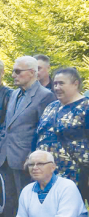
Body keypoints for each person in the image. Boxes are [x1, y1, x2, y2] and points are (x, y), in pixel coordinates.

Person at [0, 56, 55, 217]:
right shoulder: (14, 94)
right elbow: (7, 126)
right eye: (13, 71)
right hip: (6, 157)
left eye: (17, 71)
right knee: (9, 201)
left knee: (27, 202)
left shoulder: (45, 96)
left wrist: (32, 158)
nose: (13, 75)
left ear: (32, 72)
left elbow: (43, 131)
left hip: (26, 160)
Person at [35, 67, 89, 199]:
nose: (57, 87)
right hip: (48, 177)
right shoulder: (51, 106)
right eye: (55, 84)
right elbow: (39, 135)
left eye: (61, 83)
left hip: (76, 177)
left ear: (75, 84)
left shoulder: (85, 107)